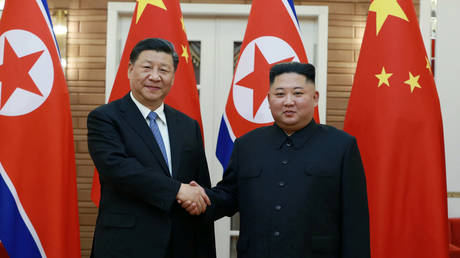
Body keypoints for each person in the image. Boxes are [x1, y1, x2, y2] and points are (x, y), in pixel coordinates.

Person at [184, 62, 370, 257]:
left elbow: (354, 222)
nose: (288, 101)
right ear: (268, 99)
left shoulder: (341, 146)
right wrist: (200, 197)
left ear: (315, 98)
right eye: (280, 94)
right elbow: (229, 196)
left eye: (298, 93)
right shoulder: (247, 145)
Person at [87, 38, 215, 258]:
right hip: (126, 245)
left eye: (164, 70)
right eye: (147, 68)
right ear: (130, 70)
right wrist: (177, 190)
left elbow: (198, 184)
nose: (155, 77)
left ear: (173, 77)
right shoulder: (105, 118)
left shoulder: (188, 125)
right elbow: (118, 169)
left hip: (181, 244)